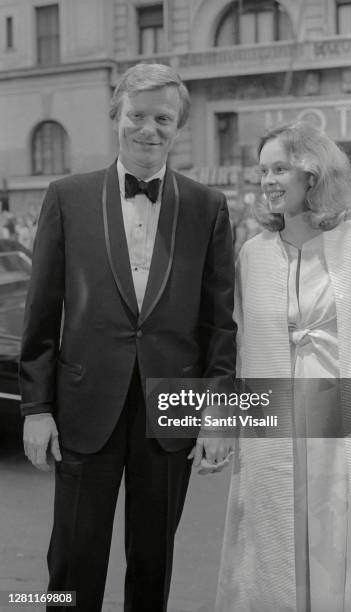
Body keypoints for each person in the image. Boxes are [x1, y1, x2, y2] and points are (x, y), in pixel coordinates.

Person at [20, 63, 236, 612]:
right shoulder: (67, 196)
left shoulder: (208, 207)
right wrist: (36, 407)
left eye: (163, 118)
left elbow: (219, 322)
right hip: (83, 404)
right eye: (138, 115)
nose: (149, 129)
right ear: (117, 114)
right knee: (72, 558)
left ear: (178, 126)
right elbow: (42, 311)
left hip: (175, 406)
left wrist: (218, 416)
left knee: (153, 560)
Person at [215, 122, 351, 612]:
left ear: (314, 175)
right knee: (277, 529)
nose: (268, 180)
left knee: (340, 528)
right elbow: (239, 345)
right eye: (263, 171)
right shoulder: (252, 253)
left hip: (346, 419)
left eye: (280, 168)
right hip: (275, 418)